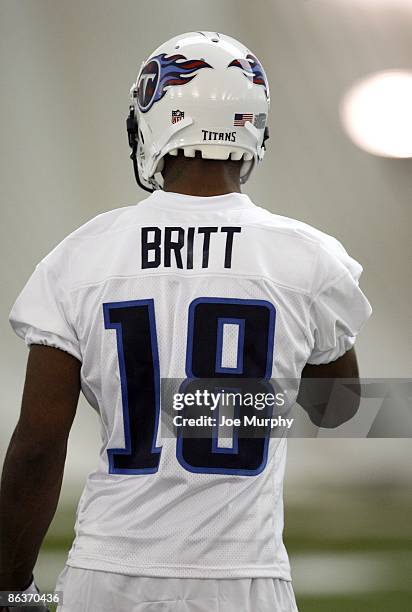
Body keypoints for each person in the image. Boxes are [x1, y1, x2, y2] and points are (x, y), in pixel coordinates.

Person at [0, 32, 371, 612]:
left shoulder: (82, 255)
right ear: (252, 128)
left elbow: (38, 446)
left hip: (109, 573)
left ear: (156, 119)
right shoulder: (309, 258)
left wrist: (12, 587)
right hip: (244, 578)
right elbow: (339, 407)